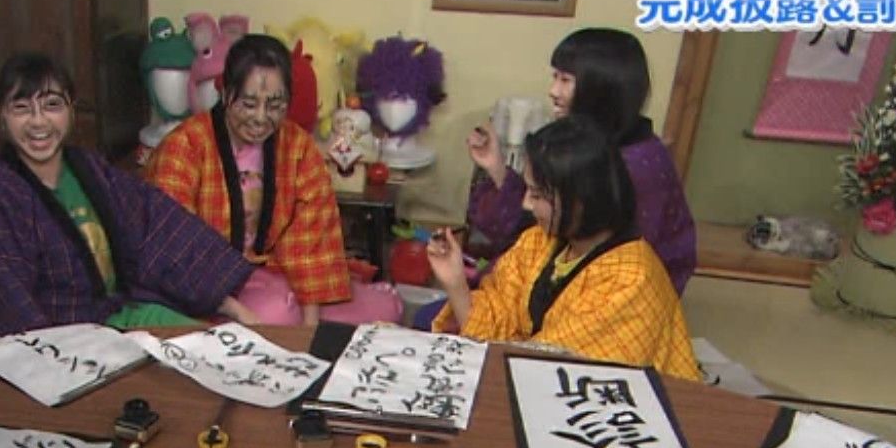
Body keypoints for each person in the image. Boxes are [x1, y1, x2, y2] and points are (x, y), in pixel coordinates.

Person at [0, 53, 262, 340]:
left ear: (71, 109)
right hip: (66, 341)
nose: (38, 122)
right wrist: (51, 360)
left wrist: (229, 305)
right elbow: (5, 302)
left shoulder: (90, 170)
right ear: (2, 116)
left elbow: (156, 227)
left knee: (219, 350)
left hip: (124, 315)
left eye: (52, 105)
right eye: (21, 108)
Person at [145, 33, 401, 326]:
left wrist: (309, 329)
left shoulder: (297, 146)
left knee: (387, 306)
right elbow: (172, 248)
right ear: (226, 93)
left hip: (272, 271)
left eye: (275, 105)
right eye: (249, 104)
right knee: (277, 314)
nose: (261, 118)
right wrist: (238, 312)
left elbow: (311, 241)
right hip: (204, 286)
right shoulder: (183, 147)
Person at [427, 116, 698, 380]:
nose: (526, 204)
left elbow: (554, 371)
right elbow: (498, 322)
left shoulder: (632, 280)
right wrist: (455, 282)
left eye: (537, 195)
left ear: (580, 201)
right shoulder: (539, 240)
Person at [464, 28, 696, 295]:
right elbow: (538, 220)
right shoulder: (590, 141)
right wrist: (495, 165)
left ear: (602, 88)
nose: (553, 91)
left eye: (565, 80)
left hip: (606, 295)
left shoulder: (636, 167)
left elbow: (604, 265)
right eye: (554, 77)